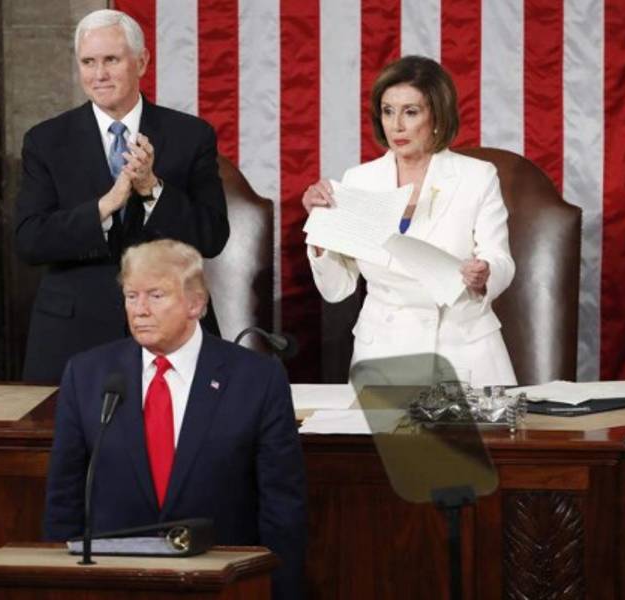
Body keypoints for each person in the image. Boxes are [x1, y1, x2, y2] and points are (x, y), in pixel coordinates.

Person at [43, 239, 307, 600]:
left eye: (155, 295)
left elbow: (283, 509)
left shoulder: (257, 379)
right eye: (131, 296)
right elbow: (64, 499)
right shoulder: (87, 374)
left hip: (221, 584)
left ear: (195, 303)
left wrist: (276, 592)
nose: (140, 310)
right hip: (114, 584)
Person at [15, 9, 229, 383]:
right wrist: (103, 207)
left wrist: (152, 191)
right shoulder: (45, 141)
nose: (99, 75)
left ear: (141, 61)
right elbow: (30, 240)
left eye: (111, 60)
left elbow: (212, 236)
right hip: (72, 335)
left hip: (171, 328)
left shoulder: (190, 136)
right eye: (88, 62)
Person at [302, 55, 516, 387]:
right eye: (388, 111)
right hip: (384, 352)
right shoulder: (359, 181)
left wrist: (484, 272)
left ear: (436, 116)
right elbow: (337, 288)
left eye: (411, 112)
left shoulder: (477, 176)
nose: (396, 125)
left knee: (471, 441)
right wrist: (318, 232)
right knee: (390, 441)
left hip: (462, 351)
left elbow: (500, 257)